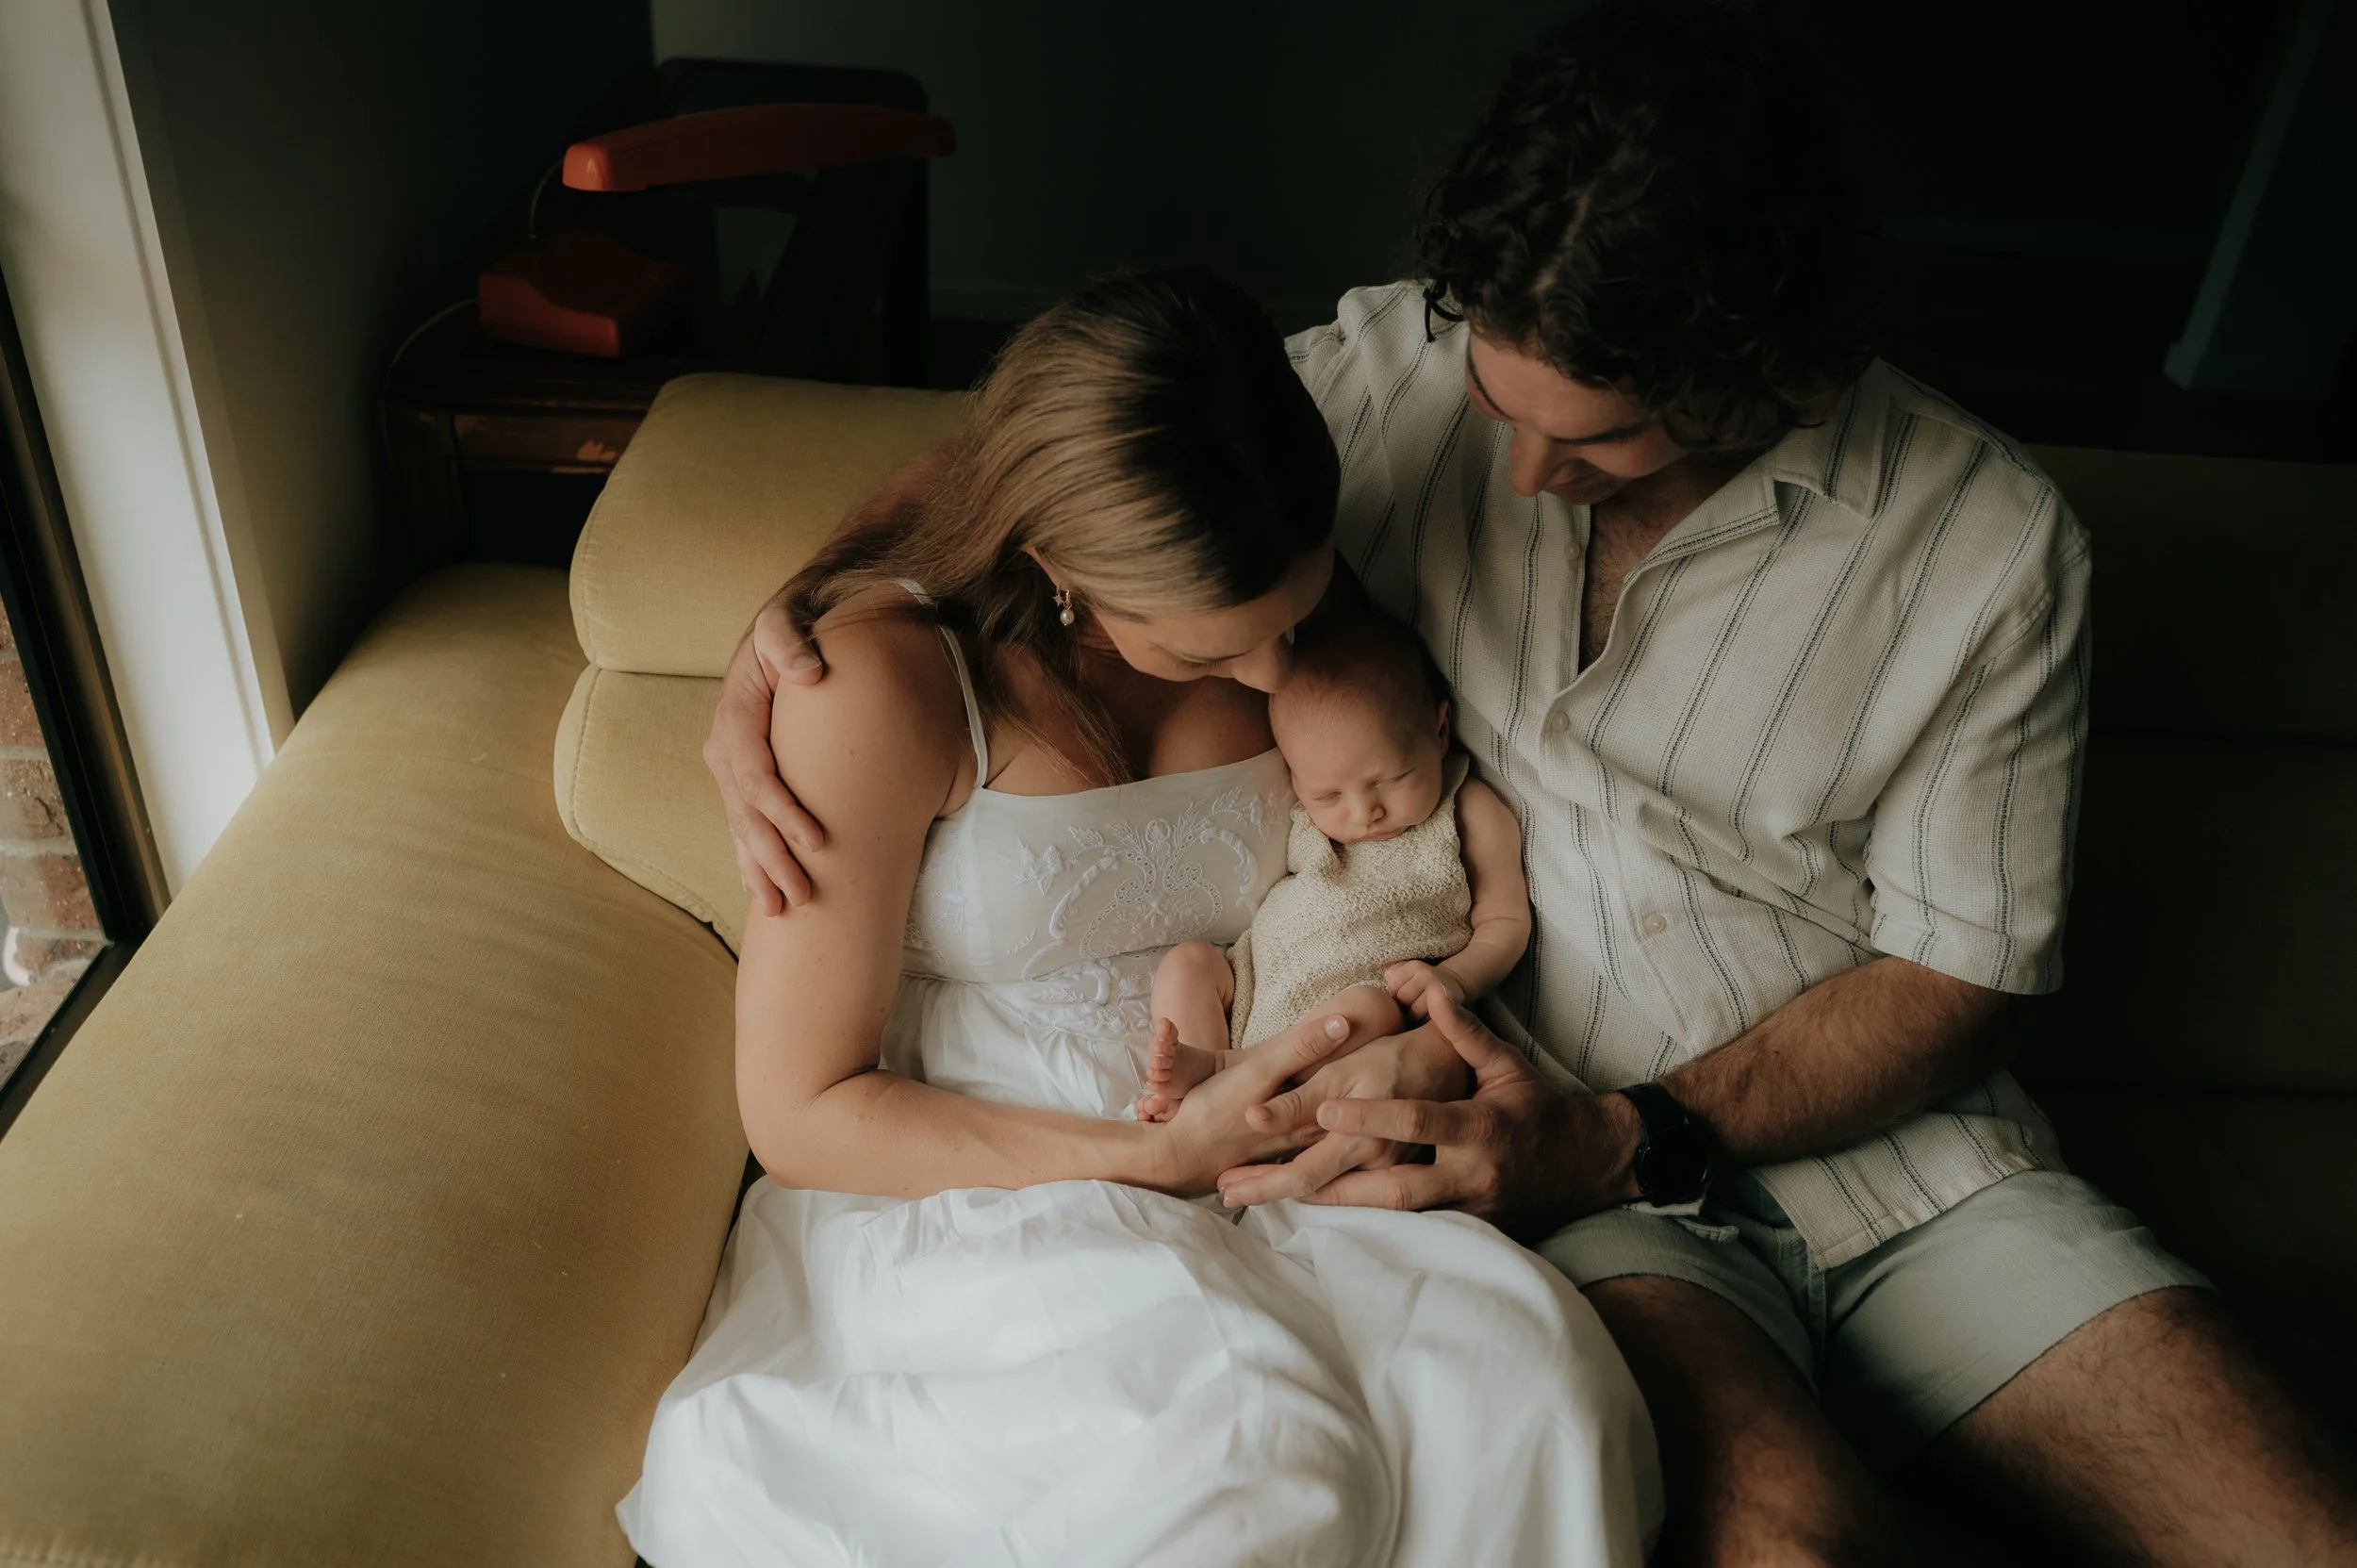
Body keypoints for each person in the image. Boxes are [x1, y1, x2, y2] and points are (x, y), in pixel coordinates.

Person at [705, 8, 2357, 1565]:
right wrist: (787, 624)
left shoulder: (1988, 548)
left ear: (1760, 372)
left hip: (1901, 1165)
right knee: (1800, 1543)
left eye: (1602, 443)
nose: (1517, 475)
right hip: (1567, 1173)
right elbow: (1072, 447)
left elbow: (1972, 975)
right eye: (1496, 402)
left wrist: (1631, 1134)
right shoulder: (1407, 371)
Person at [624, 268, 1659, 1568]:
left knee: (1525, 1390)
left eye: (1294, 617)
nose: (1278, 674)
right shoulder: (884, 684)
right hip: (987, 1185)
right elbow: (799, 1108)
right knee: (1247, 1462)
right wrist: (1154, 1158)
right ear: (1056, 563)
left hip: (1280, 1159)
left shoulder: (1267, 553)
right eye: (1211, 651)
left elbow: (1391, 880)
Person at [1137, 611, 1531, 1120]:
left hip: (1360, 1026)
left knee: (1369, 1008)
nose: (1364, 813)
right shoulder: (1308, 814)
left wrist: (1455, 980)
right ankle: (1192, 1086)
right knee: (1190, 962)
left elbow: (1506, 921)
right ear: (1297, 780)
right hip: (1263, 989)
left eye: (1391, 778)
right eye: (1327, 795)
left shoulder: (1468, 809)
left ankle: (1222, 1074)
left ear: (1439, 730)